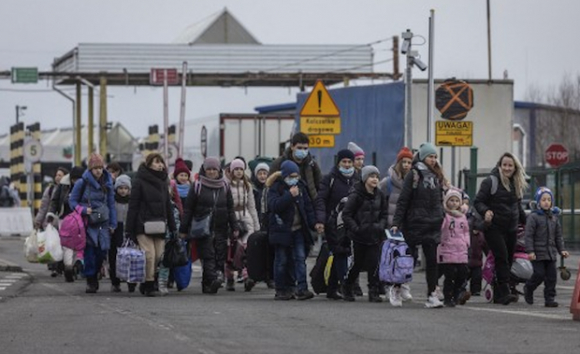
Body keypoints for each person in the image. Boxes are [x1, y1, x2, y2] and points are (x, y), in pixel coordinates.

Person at [391, 142, 446, 308]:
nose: (433, 160)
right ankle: (397, 288)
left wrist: (440, 216)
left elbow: (439, 199)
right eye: (430, 156)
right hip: (414, 223)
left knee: (431, 261)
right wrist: (396, 223)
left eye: (435, 157)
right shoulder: (413, 174)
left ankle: (431, 295)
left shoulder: (437, 175)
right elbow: (403, 200)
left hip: (432, 223)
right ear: (423, 157)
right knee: (408, 260)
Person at [179, 157, 239, 294]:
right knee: (208, 255)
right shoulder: (197, 186)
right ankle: (212, 280)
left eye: (214, 169)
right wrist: (183, 229)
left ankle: (208, 283)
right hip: (202, 227)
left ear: (219, 171)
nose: (211, 172)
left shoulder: (225, 186)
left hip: (221, 227)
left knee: (219, 255)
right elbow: (188, 209)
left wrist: (235, 226)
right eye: (209, 169)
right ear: (204, 170)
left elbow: (230, 208)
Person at [474, 152, 528, 305]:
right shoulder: (491, 182)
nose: (507, 168)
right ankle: (505, 291)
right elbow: (478, 202)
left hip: (511, 228)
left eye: (510, 165)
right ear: (499, 165)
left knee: (508, 260)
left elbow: (518, 207)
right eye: (504, 165)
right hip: (494, 227)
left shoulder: (516, 183)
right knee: (502, 257)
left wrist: (527, 223)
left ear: (515, 167)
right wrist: (486, 211)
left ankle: (498, 294)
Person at [125, 153, 177, 297]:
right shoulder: (139, 181)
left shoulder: (163, 182)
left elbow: (168, 205)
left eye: (161, 162)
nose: (160, 165)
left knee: (159, 255)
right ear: (148, 164)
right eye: (156, 162)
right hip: (142, 224)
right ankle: (149, 284)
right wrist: (129, 230)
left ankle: (148, 281)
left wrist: (173, 227)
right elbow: (133, 206)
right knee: (149, 255)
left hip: (159, 225)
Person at [267, 160, 317, 300]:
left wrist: (314, 224)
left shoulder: (301, 187)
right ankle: (281, 289)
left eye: (296, 176)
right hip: (281, 230)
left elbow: (308, 208)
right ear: (284, 175)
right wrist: (289, 196)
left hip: (298, 229)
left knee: (300, 258)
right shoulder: (276, 188)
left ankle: (301, 288)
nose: (294, 179)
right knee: (281, 260)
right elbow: (274, 205)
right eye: (291, 176)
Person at [69, 153, 117, 294]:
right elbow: (72, 201)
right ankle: (90, 279)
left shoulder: (107, 182)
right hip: (87, 222)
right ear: (90, 169)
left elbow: (111, 204)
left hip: (103, 221)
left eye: (100, 167)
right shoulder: (82, 182)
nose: (98, 171)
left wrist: (113, 224)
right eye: (95, 168)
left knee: (101, 253)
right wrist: (83, 210)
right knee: (89, 253)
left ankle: (95, 273)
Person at [314, 149, 357, 300]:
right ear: (338, 162)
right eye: (344, 162)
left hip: (351, 223)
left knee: (346, 253)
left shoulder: (357, 180)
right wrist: (320, 220)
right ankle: (344, 286)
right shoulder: (329, 179)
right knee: (340, 252)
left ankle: (333, 287)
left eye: (349, 162)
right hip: (333, 223)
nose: (347, 165)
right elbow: (321, 200)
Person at [341, 165, 388, 303]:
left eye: (376, 177)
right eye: (372, 176)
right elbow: (346, 214)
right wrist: (355, 228)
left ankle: (373, 291)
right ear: (365, 178)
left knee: (373, 264)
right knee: (357, 264)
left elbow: (384, 214)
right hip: (359, 237)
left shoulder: (380, 195)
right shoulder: (356, 195)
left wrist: (380, 226)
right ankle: (347, 286)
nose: (375, 179)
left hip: (374, 236)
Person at [379, 146, 414, 306]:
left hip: (409, 224)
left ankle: (405, 284)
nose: (406, 165)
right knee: (392, 258)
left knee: (407, 256)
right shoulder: (388, 182)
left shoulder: (414, 182)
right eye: (404, 161)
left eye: (409, 162)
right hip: (391, 226)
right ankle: (391, 286)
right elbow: (379, 199)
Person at [524, 187, 569, 307]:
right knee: (539, 274)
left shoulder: (554, 217)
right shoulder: (533, 217)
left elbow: (558, 236)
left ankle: (549, 298)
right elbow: (528, 235)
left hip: (550, 253)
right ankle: (529, 288)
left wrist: (562, 250)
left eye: (549, 200)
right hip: (537, 253)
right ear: (538, 202)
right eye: (543, 199)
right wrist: (530, 251)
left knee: (551, 277)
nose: (546, 202)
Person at [226, 158, 260, 291]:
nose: (239, 172)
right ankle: (229, 278)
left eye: (241, 169)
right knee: (232, 250)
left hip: (246, 219)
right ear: (232, 171)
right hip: (232, 219)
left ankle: (247, 278)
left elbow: (252, 207)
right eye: (236, 169)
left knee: (247, 250)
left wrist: (256, 226)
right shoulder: (226, 185)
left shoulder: (247, 186)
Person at [47, 166, 84, 282]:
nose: (76, 182)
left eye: (78, 179)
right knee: (67, 244)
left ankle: (74, 266)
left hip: (81, 219)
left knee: (79, 244)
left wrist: (97, 216)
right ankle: (68, 267)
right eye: (74, 179)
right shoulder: (63, 185)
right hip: (65, 219)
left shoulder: (87, 186)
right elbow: (55, 200)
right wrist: (51, 214)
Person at [438, 188, 471, 307]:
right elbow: (440, 229)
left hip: (461, 248)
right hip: (448, 248)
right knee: (450, 275)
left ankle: (457, 294)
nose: (454, 203)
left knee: (462, 274)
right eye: (451, 200)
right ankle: (448, 296)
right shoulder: (445, 216)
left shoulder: (462, 217)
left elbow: (466, 231)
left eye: (457, 201)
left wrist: (466, 242)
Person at [270, 132, 322, 203]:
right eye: (299, 148)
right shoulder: (279, 163)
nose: (302, 151)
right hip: (285, 204)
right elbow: (270, 185)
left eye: (305, 148)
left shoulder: (312, 164)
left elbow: (320, 185)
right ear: (292, 147)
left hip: (308, 205)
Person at [109, 174, 131, 292]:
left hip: (128, 230)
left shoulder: (132, 202)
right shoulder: (112, 201)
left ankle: (130, 281)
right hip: (115, 229)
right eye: (120, 188)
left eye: (125, 188)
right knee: (114, 257)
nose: (123, 191)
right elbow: (103, 213)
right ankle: (115, 281)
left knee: (129, 257)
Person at [251, 162, 270, 229]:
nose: (262, 176)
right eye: (260, 174)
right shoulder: (253, 190)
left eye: (265, 173)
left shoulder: (271, 189)